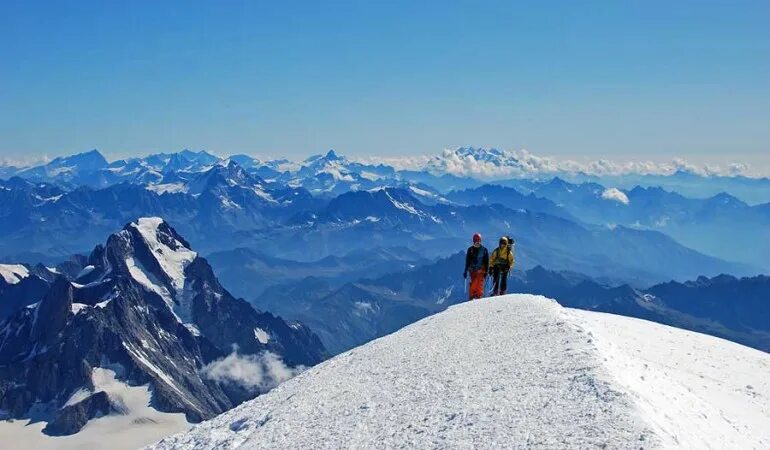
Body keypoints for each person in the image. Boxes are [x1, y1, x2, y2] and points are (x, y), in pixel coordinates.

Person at [463, 233, 489, 300]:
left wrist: (486, 271)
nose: (477, 243)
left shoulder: (483, 250)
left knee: (478, 283)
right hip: (473, 270)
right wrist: (465, 270)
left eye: (478, 241)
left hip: (480, 270)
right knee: (475, 283)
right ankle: (474, 296)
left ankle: (477, 296)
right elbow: (468, 261)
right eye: (476, 241)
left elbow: (486, 262)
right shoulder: (481, 250)